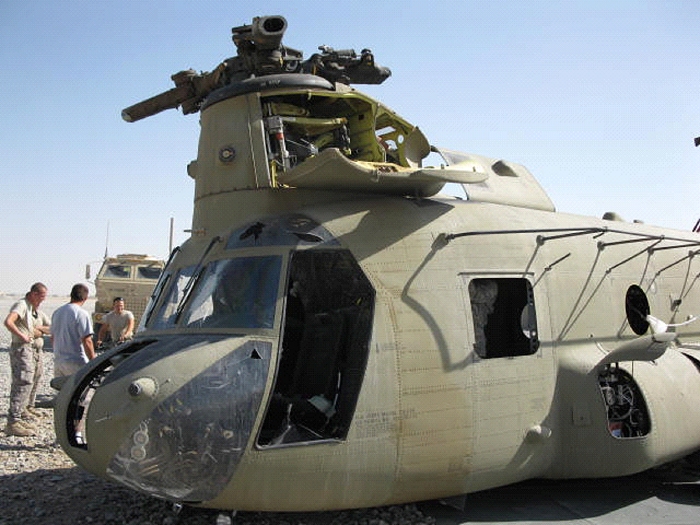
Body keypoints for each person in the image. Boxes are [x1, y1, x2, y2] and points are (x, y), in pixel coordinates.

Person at [3, 283, 51, 437]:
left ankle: (19, 414)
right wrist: (23, 335)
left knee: (29, 380)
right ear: (34, 294)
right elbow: (8, 322)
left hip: (28, 348)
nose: (43, 300)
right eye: (42, 296)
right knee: (23, 381)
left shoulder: (31, 308)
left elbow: (48, 328)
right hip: (21, 347)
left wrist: (34, 332)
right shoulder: (22, 305)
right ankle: (13, 422)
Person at [51, 284, 95, 379]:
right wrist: (93, 362)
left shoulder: (57, 312)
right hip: (76, 362)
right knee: (82, 392)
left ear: (71, 295)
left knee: (62, 392)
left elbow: (53, 337)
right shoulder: (81, 313)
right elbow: (87, 340)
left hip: (59, 362)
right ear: (86, 298)